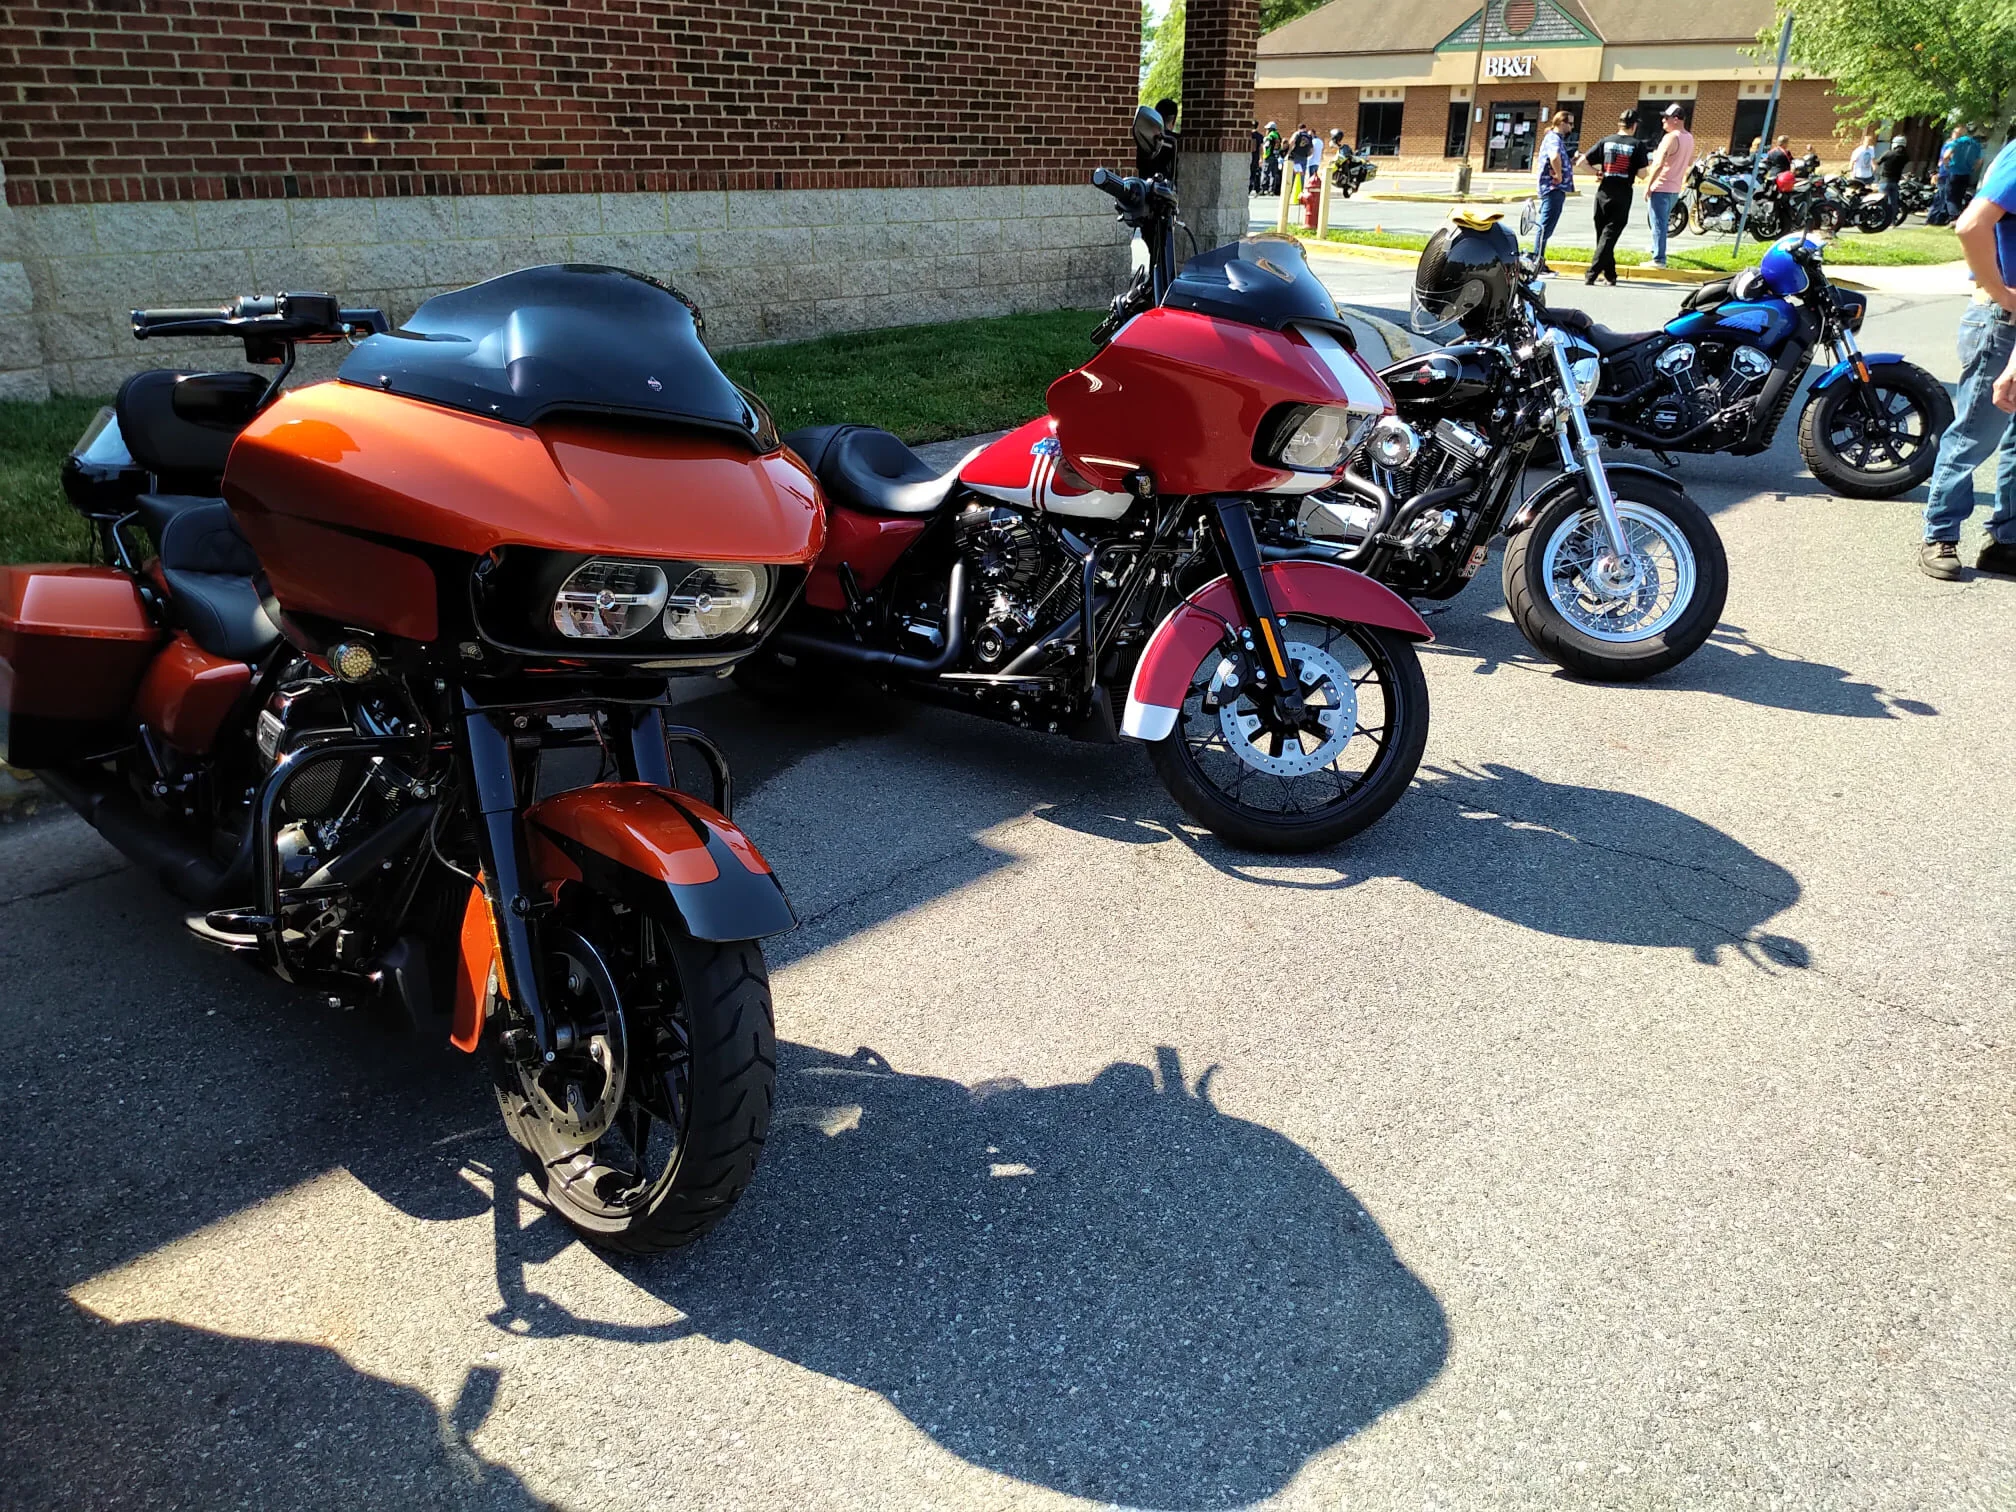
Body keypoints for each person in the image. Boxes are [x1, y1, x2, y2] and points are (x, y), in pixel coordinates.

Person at [1918, 135, 2016, 579]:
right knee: (1975, 433)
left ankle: (2006, 542)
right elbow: (1970, 225)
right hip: (1999, 319)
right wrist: (2002, 293)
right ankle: (1940, 533)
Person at [1582, 108, 1649, 286]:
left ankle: (1610, 275)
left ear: (1619, 124)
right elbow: (1642, 174)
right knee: (1609, 236)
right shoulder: (1637, 145)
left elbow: (1582, 162)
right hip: (1622, 194)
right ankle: (1592, 273)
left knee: (1603, 236)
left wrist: (1597, 173)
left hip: (1603, 192)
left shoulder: (1606, 141)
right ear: (1634, 126)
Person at [1644, 103, 1693, 268]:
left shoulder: (1671, 137)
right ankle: (1655, 248)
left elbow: (1659, 163)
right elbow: (1688, 162)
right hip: (1674, 188)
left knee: (1658, 223)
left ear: (1676, 119)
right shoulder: (1689, 138)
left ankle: (1659, 258)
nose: (1663, 121)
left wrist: (1649, 185)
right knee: (1662, 222)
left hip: (1661, 186)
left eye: (1666, 118)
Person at [1531, 108, 1576, 274]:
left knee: (1546, 226)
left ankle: (1538, 262)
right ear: (1562, 123)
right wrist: (1559, 175)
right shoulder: (1553, 138)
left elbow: (1558, 157)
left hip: (1553, 189)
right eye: (1570, 123)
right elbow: (1554, 156)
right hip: (1553, 188)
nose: (1572, 127)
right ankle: (1537, 264)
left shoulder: (1554, 138)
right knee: (1545, 227)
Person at [1138, 96, 1179, 182]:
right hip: (1165, 186)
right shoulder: (1175, 142)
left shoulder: (1144, 137)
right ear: (1174, 120)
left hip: (1143, 185)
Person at [1947, 124, 1983, 212]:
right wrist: (1973, 169)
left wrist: (1946, 165)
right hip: (1967, 173)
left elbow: (1946, 156)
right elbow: (1980, 161)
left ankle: (1953, 215)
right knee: (1960, 195)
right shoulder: (1976, 145)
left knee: (1951, 196)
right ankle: (1956, 213)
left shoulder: (1958, 142)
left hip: (1955, 171)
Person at [1877, 133, 1910, 227]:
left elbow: (1878, 162)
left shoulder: (1888, 153)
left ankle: (1881, 220)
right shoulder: (1905, 156)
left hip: (1884, 181)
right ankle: (1893, 221)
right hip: (1895, 182)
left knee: (1882, 202)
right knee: (1893, 203)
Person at [1261, 122, 1283, 195]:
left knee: (1265, 173)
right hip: (1275, 156)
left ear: (1270, 129)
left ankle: (1263, 189)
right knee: (1273, 174)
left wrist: (1264, 153)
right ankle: (1271, 190)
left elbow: (1267, 145)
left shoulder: (1270, 136)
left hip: (1268, 156)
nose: (1266, 130)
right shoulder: (1278, 135)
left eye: (1267, 129)